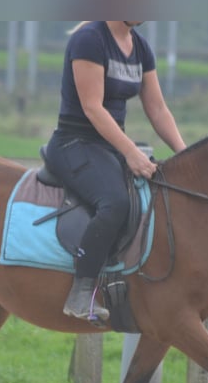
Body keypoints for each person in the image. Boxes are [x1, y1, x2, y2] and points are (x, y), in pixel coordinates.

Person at [45, 21, 187, 323]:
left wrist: (185, 155)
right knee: (116, 202)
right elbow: (93, 108)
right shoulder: (89, 39)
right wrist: (130, 152)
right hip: (74, 143)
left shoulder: (141, 47)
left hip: (108, 147)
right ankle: (81, 293)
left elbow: (158, 109)